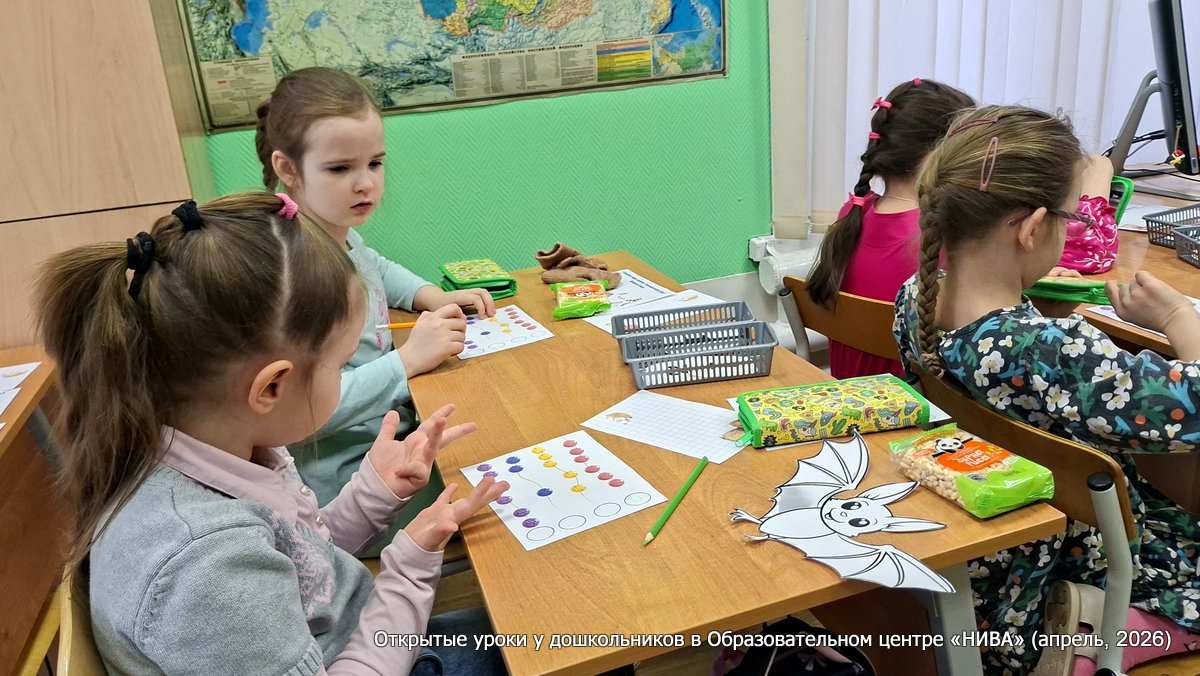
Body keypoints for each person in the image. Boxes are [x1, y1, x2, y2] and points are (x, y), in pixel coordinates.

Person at [38, 193, 508, 674]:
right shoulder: (207, 563)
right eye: (341, 365)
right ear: (271, 387)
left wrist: (374, 493)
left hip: (358, 638)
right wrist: (406, 572)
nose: (343, 374)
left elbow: (304, 567)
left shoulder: (219, 449)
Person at [894, 105, 1200, 675]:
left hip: (993, 550)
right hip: (1073, 560)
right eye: (1069, 219)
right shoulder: (1049, 351)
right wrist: (1179, 319)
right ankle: (1102, 631)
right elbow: (1192, 406)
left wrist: (1053, 318)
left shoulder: (916, 299)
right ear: (1033, 228)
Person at [255, 66, 496, 508]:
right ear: (288, 168)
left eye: (375, 163)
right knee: (497, 483)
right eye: (340, 168)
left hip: (395, 436)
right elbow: (300, 412)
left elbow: (375, 267)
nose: (365, 182)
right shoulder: (291, 269)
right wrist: (407, 361)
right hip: (348, 484)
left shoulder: (335, 232)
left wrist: (433, 296)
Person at [805, 77, 974, 378]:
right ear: (941, 154)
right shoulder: (939, 234)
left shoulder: (853, 212)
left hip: (851, 397)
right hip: (913, 402)